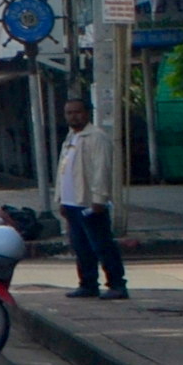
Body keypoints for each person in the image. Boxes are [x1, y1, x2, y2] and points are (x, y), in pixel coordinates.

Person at [55, 96, 132, 300]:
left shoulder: (97, 137)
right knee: (81, 247)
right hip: (71, 203)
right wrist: (61, 199)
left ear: (87, 113)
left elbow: (102, 170)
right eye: (69, 113)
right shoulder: (71, 137)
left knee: (102, 245)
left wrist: (99, 198)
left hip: (89, 203)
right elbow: (63, 170)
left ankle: (117, 284)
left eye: (77, 112)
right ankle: (88, 284)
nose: (73, 116)